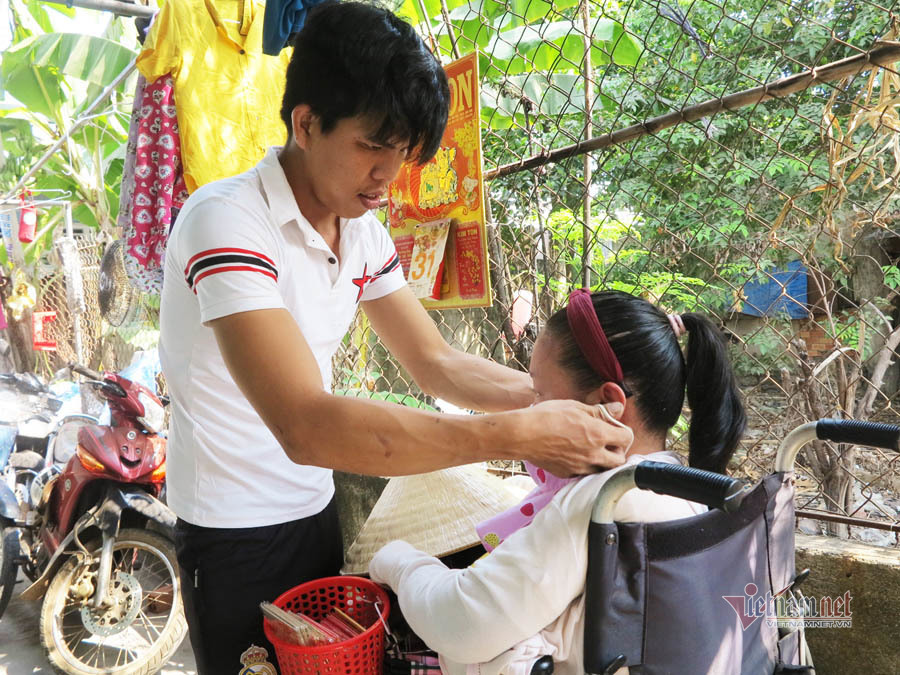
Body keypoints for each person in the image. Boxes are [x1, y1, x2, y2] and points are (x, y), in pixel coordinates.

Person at [158, 3, 632, 672]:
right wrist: (522, 431)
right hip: (231, 530)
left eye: (403, 151)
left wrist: (551, 404)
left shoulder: (362, 230)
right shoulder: (226, 222)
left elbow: (434, 361)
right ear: (306, 122)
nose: (389, 174)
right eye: (371, 146)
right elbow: (304, 424)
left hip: (315, 510)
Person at [369, 289, 747, 675]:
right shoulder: (684, 487)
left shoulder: (603, 503)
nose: (531, 408)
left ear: (608, 403)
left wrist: (397, 560)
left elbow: (463, 621)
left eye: (539, 393)